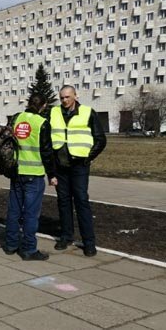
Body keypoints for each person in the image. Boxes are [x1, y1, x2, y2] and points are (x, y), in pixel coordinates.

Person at [51, 85, 107, 257]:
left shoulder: (88, 112)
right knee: (63, 202)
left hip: (79, 166)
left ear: (75, 96)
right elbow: (47, 139)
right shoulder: (53, 113)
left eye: (67, 97)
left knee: (82, 201)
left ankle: (89, 242)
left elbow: (100, 139)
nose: (64, 100)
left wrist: (88, 157)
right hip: (61, 166)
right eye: (61, 98)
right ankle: (66, 236)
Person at [4, 94, 57, 261]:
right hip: (34, 174)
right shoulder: (42, 123)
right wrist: (52, 174)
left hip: (16, 171)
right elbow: (47, 152)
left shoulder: (16, 118)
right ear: (44, 105)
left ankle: (11, 245)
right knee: (31, 213)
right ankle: (29, 249)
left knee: (14, 210)